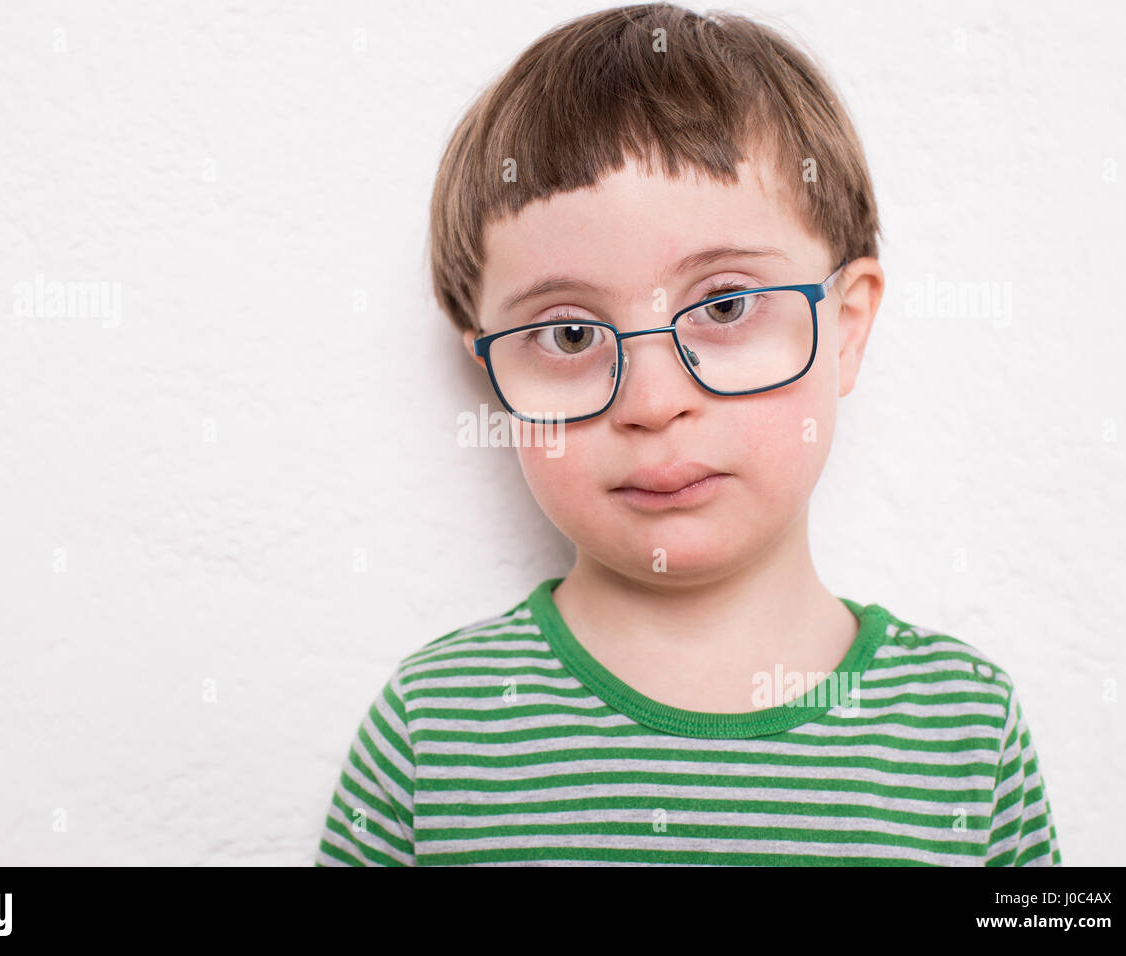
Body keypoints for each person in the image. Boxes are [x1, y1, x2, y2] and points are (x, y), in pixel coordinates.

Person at [315, 2, 1060, 866]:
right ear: (491, 374)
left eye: (727, 304)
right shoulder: (434, 731)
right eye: (567, 333)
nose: (654, 401)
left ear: (847, 330)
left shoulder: (965, 731)